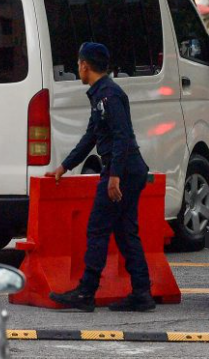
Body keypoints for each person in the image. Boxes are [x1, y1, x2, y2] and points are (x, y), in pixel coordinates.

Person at [46, 42, 155, 312]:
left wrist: (114, 177)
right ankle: (142, 293)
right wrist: (65, 166)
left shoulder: (108, 95)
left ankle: (86, 293)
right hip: (128, 169)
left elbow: (121, 136)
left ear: (85, 65)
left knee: (97, 229)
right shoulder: (101, 94)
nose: (77, 68)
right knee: (125, 232)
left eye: (78, 63)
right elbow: (92, 135)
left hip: (123, 171)